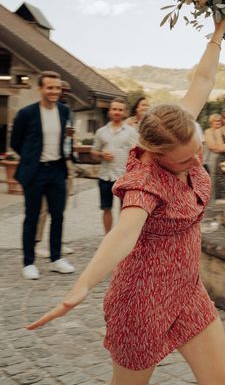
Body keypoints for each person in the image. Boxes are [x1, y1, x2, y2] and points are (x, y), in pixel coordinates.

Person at [26, 18, 225, 385]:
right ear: (156, 154)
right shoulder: (144, 181)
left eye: (198, 151)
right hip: (141, 301)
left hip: (186, 290)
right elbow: (123, 234)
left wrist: (218, 33)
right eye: (185, 160)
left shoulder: (177, 127)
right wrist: (83, 286)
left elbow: (202, 81)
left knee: (222, 382)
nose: (196, 162)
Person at [11, 71, 76, 279]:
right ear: (40, 89)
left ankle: (56, 258)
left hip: (57, 170)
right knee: (32, 217)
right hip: (36, 171)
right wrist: (31, 159)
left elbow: (67, 139)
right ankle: (28, 262)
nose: (54, 91)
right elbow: (16, 141)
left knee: (58, 216)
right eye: (50, 87)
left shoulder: (65, 111)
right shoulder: (26, 113)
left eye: (57, 88)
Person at [35, 80, 75, 258]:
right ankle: (37, 242)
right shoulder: (48, 110)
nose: (62, 93)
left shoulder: (67, 110)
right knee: (44, 206)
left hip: (65, 160)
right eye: (61, 89)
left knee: (61, 205)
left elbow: (68, 136)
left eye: (64, 90)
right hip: (49, 163)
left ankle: (56, 243)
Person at [91, 98, 138, 233]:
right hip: (105, 176)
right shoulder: (101, 132)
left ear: (125, 112)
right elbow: (93, 151)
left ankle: (121, 239)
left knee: (124, 210)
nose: (117, 112)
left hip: (124, 177)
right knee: (106, 208)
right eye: (114, 109)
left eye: (120, 110)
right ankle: (108, 237)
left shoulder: (131, 132)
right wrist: (101, 155)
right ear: (109, 111)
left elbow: (138, 152)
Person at [203, 113, 222, 180]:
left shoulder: (222, 131)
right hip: (210, 160)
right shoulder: (208, 132)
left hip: (222, 160)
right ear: (211, 122)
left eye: (219, 121)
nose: (218, 122)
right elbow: (212, 147)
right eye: (216, 121)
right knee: (213, 180)